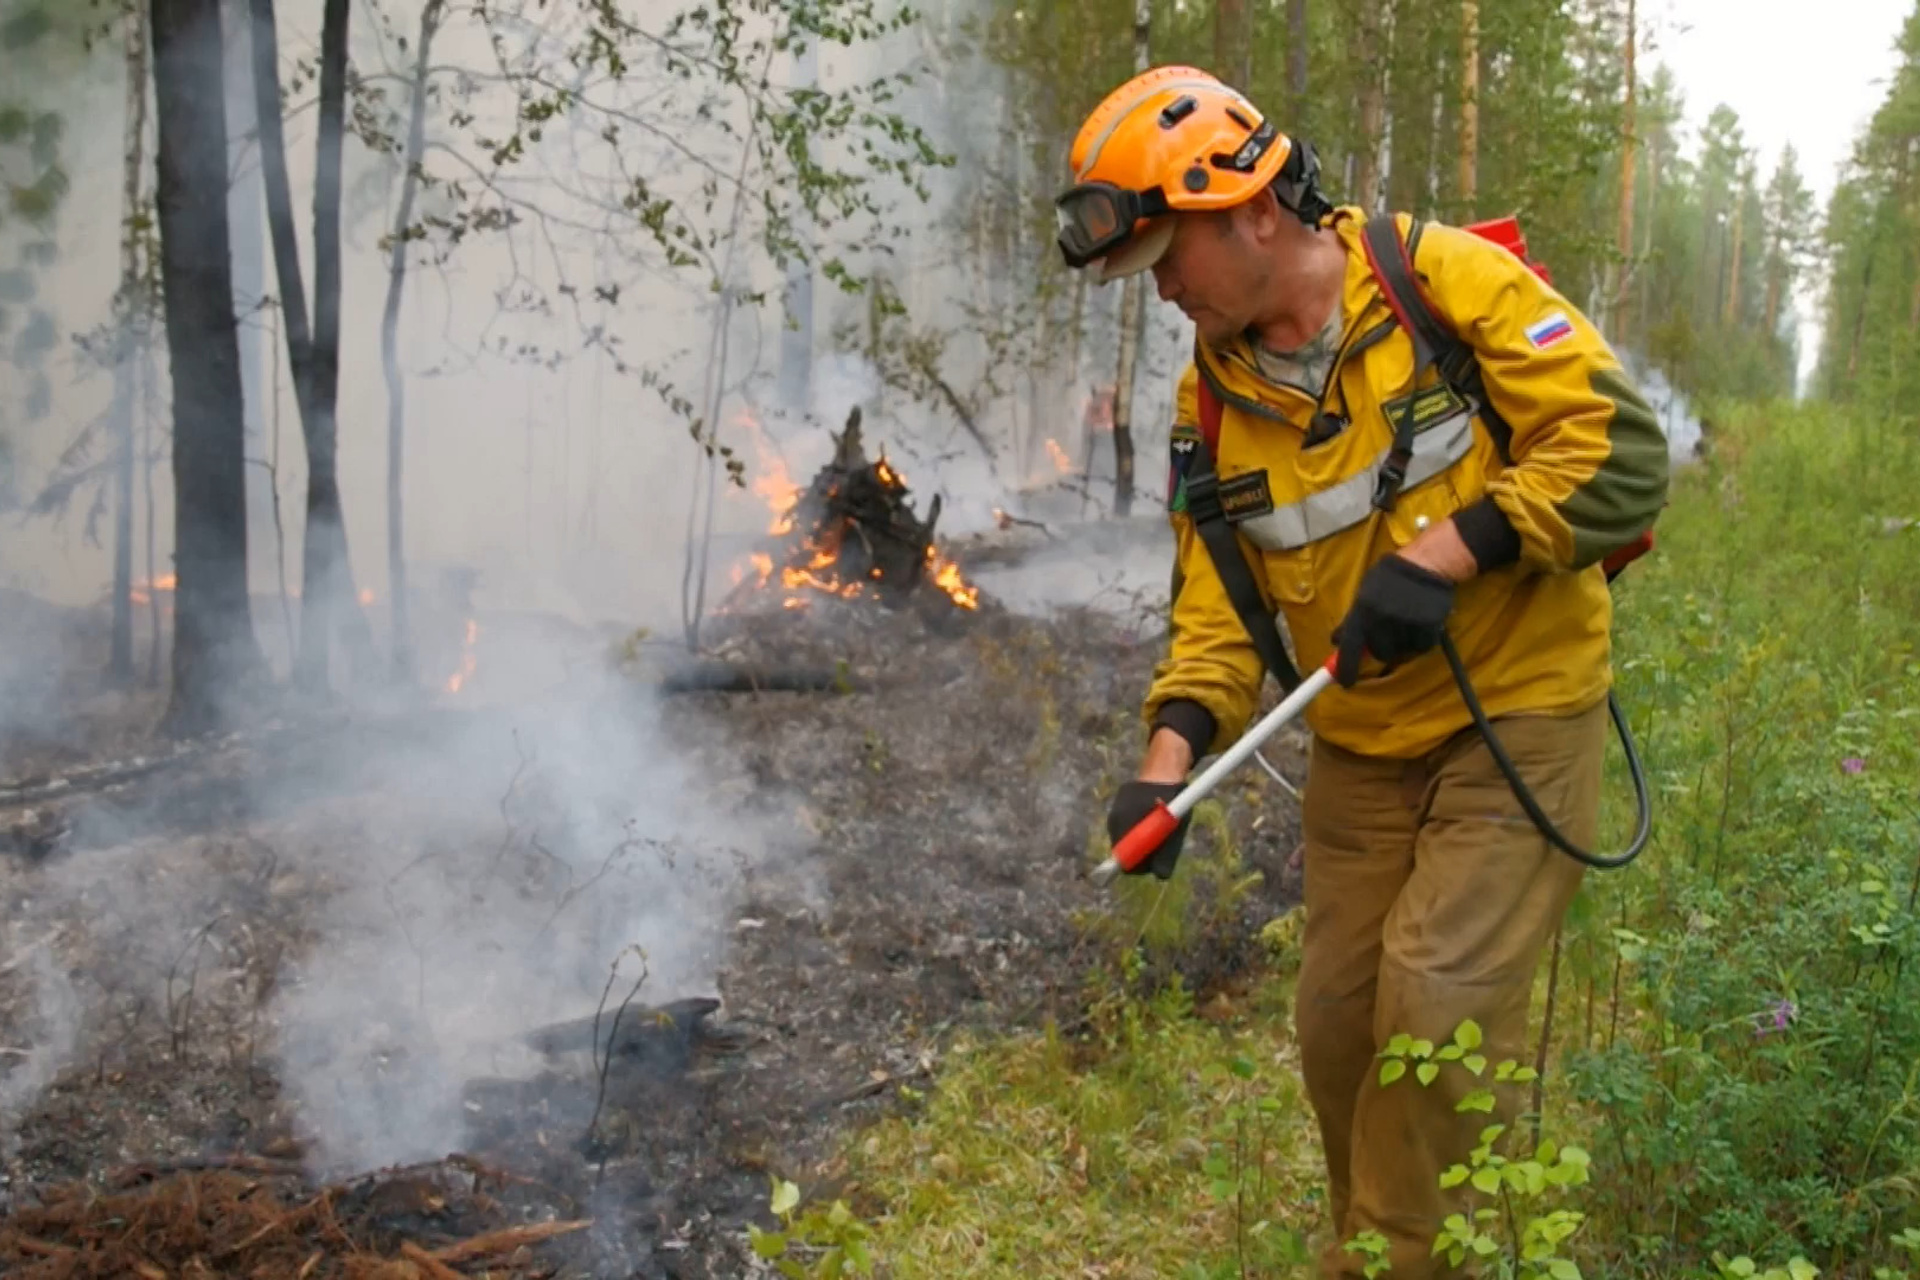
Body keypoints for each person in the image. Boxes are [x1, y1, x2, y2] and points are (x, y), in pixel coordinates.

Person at [1057, 66, 1669, 1277]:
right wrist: (1165, 767)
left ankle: (1397, 1258)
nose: (1163, 288)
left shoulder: (1440, 279)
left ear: (1249, 209)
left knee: (1433, 1015)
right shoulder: (1210, 409)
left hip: (1519, 713)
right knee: (1340, 1030)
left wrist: (1448, 551)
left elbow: (1622, 451)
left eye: (1169, 256)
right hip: (1366, 747)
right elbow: (1217, 620)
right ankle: (1385, 1239)